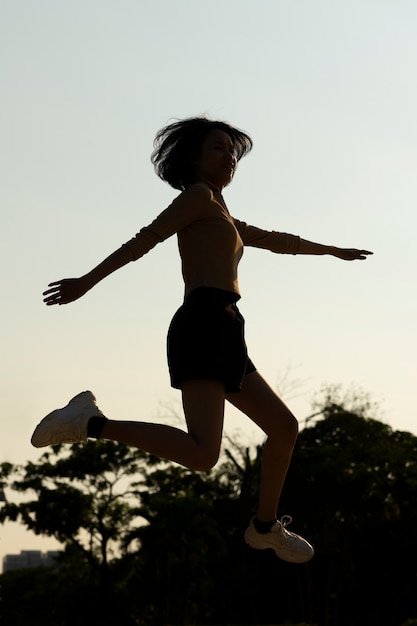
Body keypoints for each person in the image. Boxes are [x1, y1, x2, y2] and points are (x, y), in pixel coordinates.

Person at [31, 116, 373, 563]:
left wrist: (329, 250)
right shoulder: (195, 197)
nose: (229, 156)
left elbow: (274, 239)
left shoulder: (220, 210)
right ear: (193, 158)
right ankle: (88, 423)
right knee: (202, 454)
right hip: (202, 323)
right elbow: (143, 241)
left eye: (232, 151)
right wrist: (86, 282)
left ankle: (265, 528)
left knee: (285, 428)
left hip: (228, 326)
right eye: (218, 148)